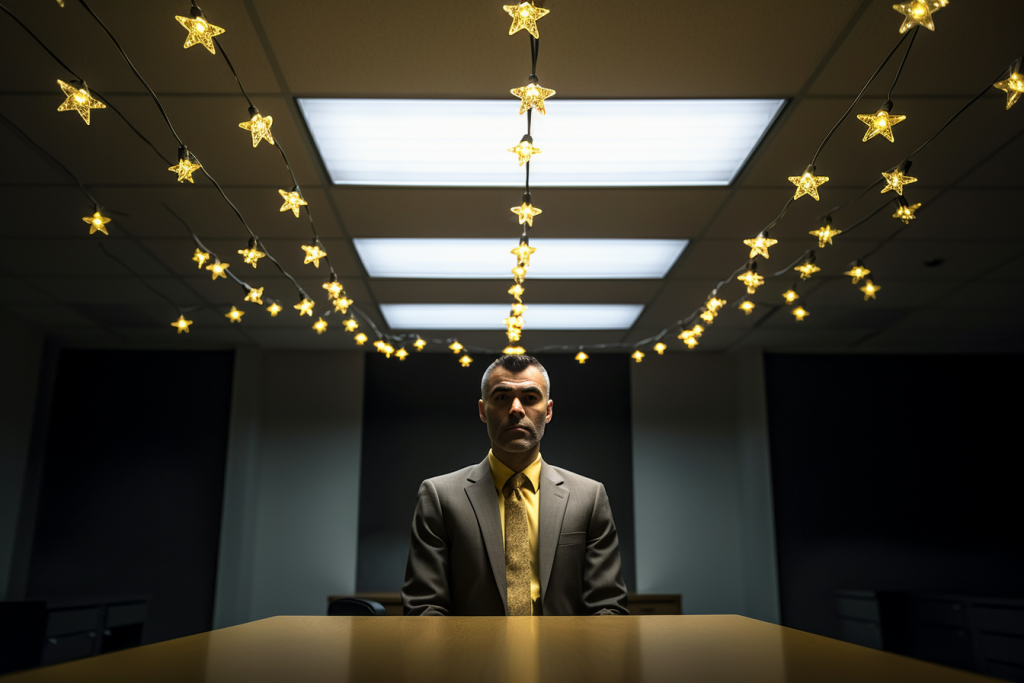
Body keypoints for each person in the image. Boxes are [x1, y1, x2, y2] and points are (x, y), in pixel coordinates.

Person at [401, 354, 628, 616]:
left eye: (531, 398)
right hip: (472, 654)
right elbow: (424, 607)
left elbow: (608, 606)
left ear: (549, 410)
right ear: (482, 410)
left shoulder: (589, 497)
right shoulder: (440, 497)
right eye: (501, 397)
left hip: (565, 654)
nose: (516, 408)